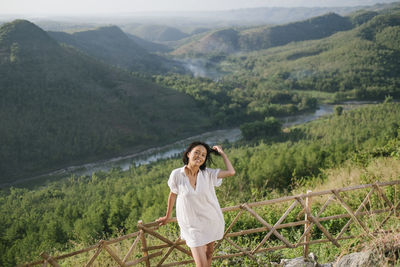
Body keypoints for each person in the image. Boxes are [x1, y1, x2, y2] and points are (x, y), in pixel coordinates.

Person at [156, 141, 235, 267]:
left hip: (210, 220)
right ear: (188, 154)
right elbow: (173, 194)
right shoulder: (177, 174)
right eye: (196, 152)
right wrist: (167, 216)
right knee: (201, 264)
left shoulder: (208, 174)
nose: (200, 156)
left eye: (203, 155)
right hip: (191, 225)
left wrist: (222, 153)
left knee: (209, 254)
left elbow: (231, 172)